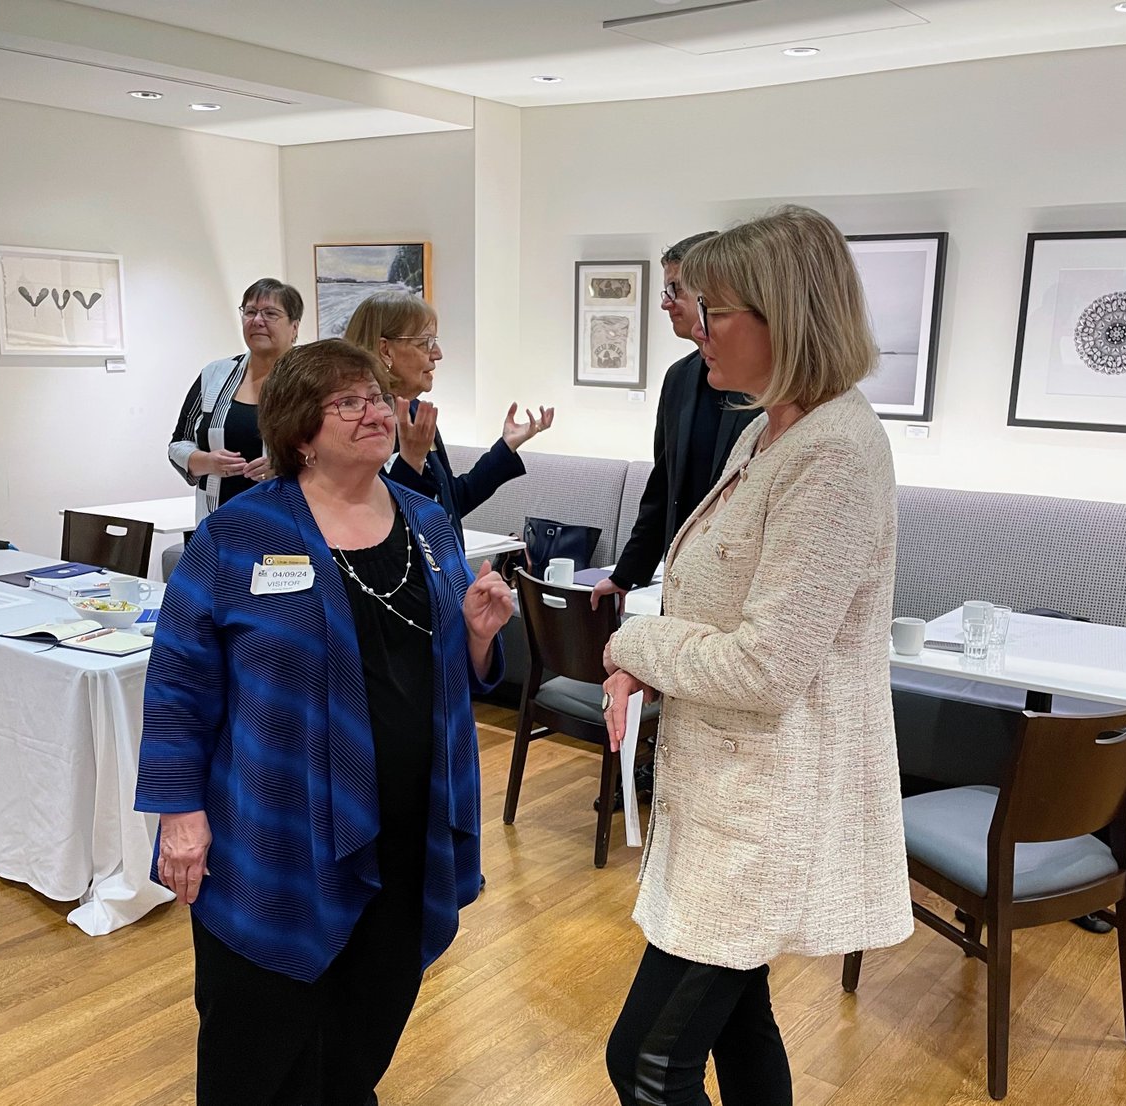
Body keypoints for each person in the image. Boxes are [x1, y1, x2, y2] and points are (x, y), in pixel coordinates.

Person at [136, 338, 513, 1106]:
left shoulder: (430, 523)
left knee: (365, 1031)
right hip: (279, 835)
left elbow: (433, 674)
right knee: (257, 1043)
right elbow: (178, 680)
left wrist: (475, 638)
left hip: (407, 831)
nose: (376, 412)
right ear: (300, 432)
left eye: (376, 396)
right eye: (349, 402)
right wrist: (180, 812)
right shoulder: (240, 536)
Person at [600, 206, 913, 1106]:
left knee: (648, 1063)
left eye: (716, 308)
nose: (695, 325)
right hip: (725, 794)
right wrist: (650, 657)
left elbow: (767, 666)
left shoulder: (834, 452)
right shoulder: (769, 427)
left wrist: (634, 643)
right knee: (738, 1028)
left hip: (765, 804)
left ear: (789, 315)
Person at [591, 233, 757, 614]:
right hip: (681, 586)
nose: (665, 302)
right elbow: (663, 488)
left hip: (738, 599)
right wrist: (625, 575)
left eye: (674, 289)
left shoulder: (768, 390)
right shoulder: (679, 378)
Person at [344, 290, 553, 544]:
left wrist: (506, 447)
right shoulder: (360, 424)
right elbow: (381, 518)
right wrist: (411, 461)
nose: (438, 353)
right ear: (385, 350)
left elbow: (449, 504)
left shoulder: (415, 412)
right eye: (426, 343)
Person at [168, 278, 303, 523]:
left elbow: (335, 452)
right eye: (250, 312)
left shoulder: (314, 380)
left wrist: (287, 466)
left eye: (270, 313)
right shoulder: (214, 375)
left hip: (289, 525)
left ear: (294, 327)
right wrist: (206, 462)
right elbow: (179, 443)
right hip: (218, 524)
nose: (257, 320)